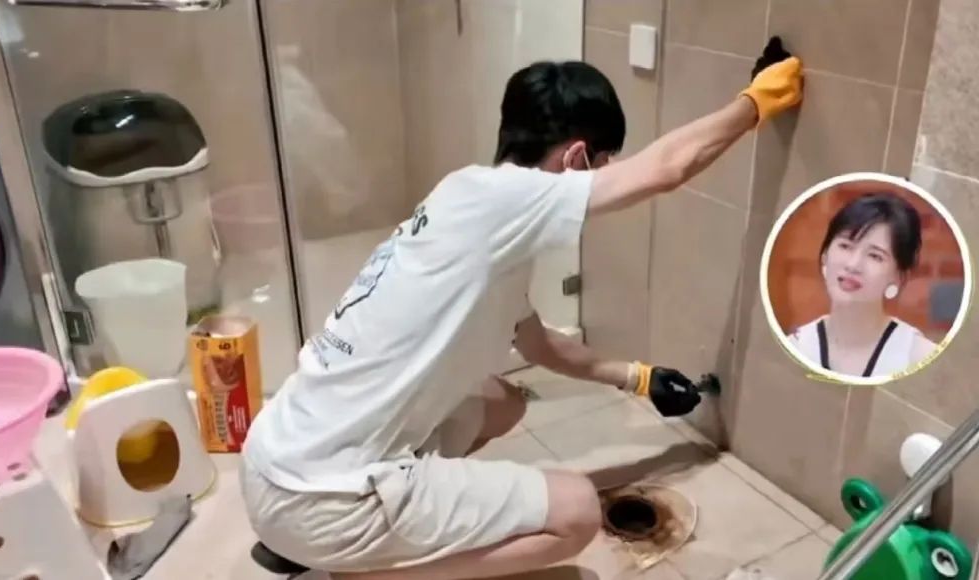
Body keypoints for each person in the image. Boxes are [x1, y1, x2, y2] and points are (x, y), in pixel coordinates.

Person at [240, 51, 804, 579]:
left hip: (273, 462)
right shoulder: (513, 199)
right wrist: (754, 102)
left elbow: (541, 347)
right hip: (323, 498)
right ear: (576, 158)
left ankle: (353, 540)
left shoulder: (468, 202)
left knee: (502, 401)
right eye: (604, 163)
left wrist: (641, 378)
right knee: (576, 513)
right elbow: (667, 168)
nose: (607, 175)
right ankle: (365, 568)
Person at [788, 192, 940, 378]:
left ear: (898, 277)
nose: (853, 265)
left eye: (875, 256)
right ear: (825, 256)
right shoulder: (797, 346)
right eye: (845, 246)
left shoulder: (919, 357)